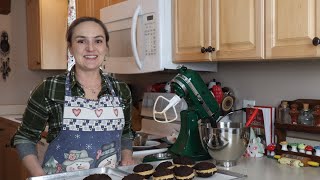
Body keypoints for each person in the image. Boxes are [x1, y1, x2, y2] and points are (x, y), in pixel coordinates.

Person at [12, 17, 135, 176]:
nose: (91, 48)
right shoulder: (50, 88)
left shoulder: (121, 89)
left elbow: (126, 133)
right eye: (81, 41)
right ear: (70, 47)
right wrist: (41, 176)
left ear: (106, 47)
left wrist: (126, 158)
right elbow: (24, 138)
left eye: (98, 41)